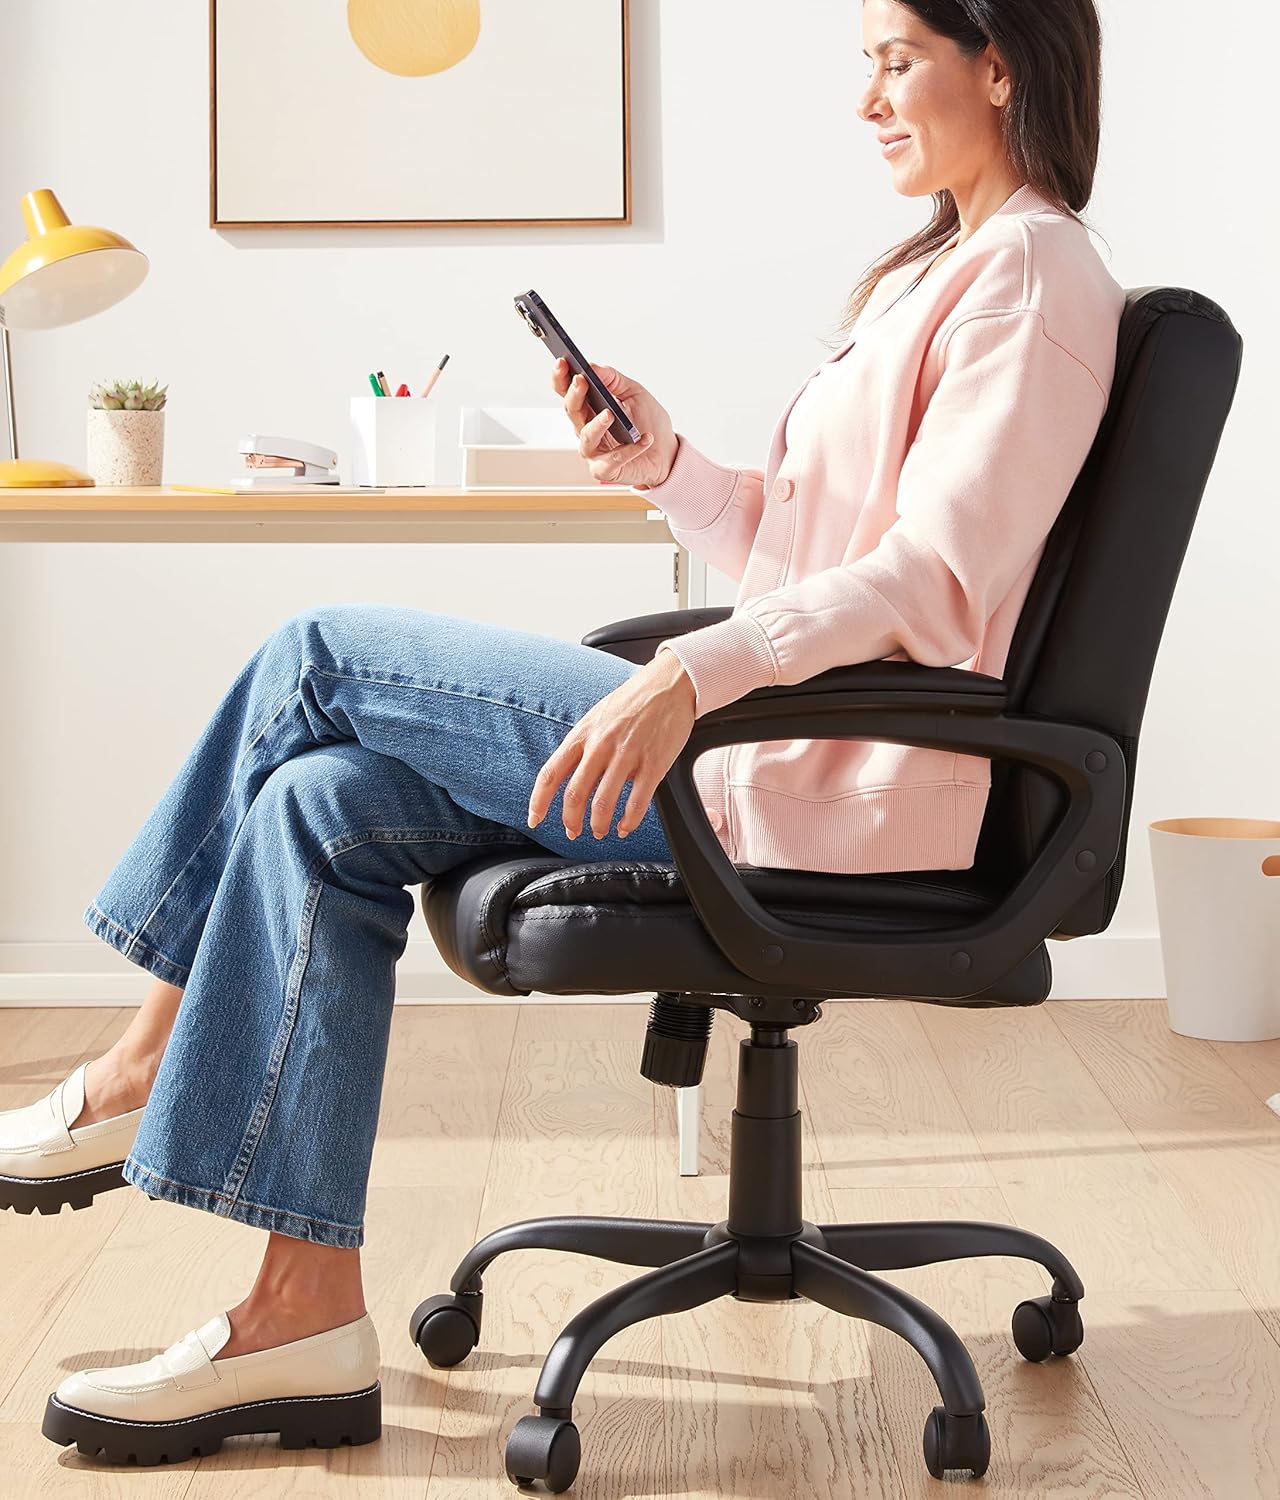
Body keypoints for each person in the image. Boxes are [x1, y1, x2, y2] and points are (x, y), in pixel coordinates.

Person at [0, 0, 1125, 1465]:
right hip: (772, 748)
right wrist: (670, 466)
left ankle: (138, 1059)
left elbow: (936, 578)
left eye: (895, 59)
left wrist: (694, 679)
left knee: (317, 653)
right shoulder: (942, 270)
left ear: (1003, 57)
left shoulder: (1034, 271)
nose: (867, 101)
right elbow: (811, 549)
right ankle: (303, 1315)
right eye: (864, 63)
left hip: (810, 782)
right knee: (319, 803)